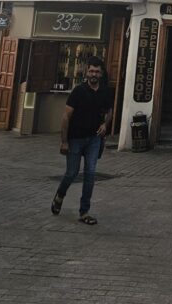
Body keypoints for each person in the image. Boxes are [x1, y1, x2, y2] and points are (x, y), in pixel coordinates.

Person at [51, 56, 112, 225]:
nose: (94, 74)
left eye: (97, 72)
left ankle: (84, 211)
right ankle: (60, 195)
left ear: (101, 74)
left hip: (94, 139)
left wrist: (105, 125)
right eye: (91, 71)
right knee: (71, 172)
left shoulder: (105, 91)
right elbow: (66, 116)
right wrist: (64, 141)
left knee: (90, 174)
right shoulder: (78, 91)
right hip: (76, 138)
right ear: (87, 72)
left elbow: (109, 111)